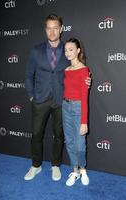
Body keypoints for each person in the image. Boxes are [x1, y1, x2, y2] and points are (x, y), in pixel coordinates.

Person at [24, 14, 91, 181]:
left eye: (56, 27)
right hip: (39, 100)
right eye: (49, 28)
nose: (52, 31)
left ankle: (55, 165)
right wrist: (31, 96)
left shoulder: (68, 50)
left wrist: (86, 80)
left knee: (59, 135)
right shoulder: (35, 51)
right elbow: (28, 75)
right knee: (36, 134)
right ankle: (36, 165)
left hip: (61, 101)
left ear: (61, 29)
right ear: (45, 30)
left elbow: (77, 68)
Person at [62, 38, 90, 186]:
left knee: (80, 144)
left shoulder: (84, 70)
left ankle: (83, 169)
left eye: (71, 49)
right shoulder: (66, 70)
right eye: (66, 50)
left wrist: (84, 121)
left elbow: (84, 97)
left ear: (78, 50)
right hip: (65, 107)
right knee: (70, 142)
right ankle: (75, 170)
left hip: (78, 108)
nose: (67, 53)